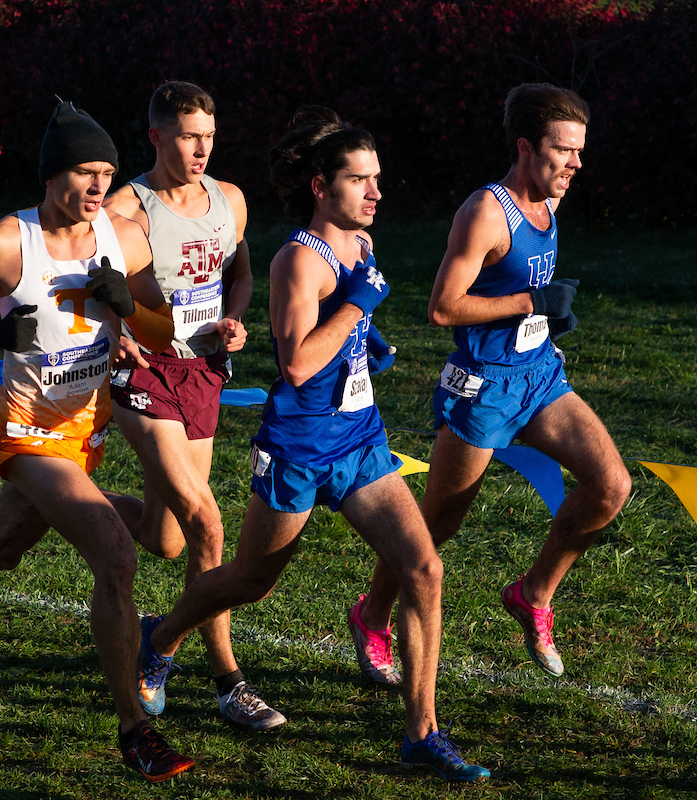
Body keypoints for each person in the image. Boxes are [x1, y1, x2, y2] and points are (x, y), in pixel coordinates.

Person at [136, 108, 491, 782]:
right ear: (322, 188)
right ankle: (158, 639)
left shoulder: (361, 245)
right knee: (250, 581)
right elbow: (297, 363)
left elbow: (345, 330)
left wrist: (369, 341)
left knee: (424, 570)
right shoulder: (299, 260)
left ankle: (421, 733)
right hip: (298, 449)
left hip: (359, 440)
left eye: (377, 179)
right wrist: (358, 308)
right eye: (360, 181)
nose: (376, 192)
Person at [0, 101, 193, 782]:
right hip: (26, 432)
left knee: (1, 550)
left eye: (106, 173)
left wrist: (127, 307)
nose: (97, 187)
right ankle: (135, 731)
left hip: (88, 432)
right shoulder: (2, 242)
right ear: (51, 176)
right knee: (116, 556)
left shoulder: (127, 237)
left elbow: (167, 333)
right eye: (84, 172)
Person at [352, 83, 631, 681]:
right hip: (483, 387)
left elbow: (525, 293)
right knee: (437, 523)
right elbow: (444, 308)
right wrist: (531, 299)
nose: (576, 163)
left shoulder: (551, 203)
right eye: (564, 151)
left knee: (610, 486)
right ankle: (371, 614)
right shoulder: (487, 212)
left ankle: (532, 595)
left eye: (580, 151)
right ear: (527, 148)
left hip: (538, 376)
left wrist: (546, 319)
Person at [99, 81, 282, 729]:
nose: (201, 147)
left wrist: (234, 320)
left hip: (205, 372)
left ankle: (57, 499)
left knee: (167, 537)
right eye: (186, 135)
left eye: (208, 133)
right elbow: (90, 285)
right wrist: (119, 333)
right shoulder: (127, 209)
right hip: (145, 375)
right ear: (155, 137)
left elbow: (241, 273)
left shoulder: (228, 199)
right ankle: (223, 678)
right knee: (208, 523)